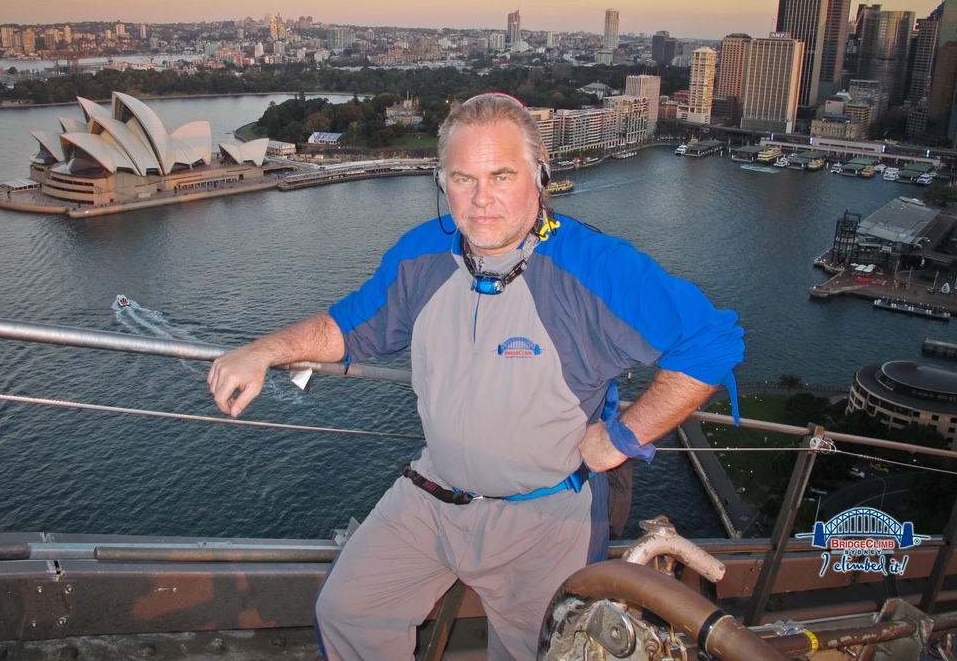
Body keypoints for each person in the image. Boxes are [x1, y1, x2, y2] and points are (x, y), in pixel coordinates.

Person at [208, 93, 744, 661]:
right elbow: (349, 326)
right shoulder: (424, 253)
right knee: (348, 612)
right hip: (431, 493)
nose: (481, 199)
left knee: (531, 653)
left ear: (539, 176)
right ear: (442, 181)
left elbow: (710, 341)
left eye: (501, 175)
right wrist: (264, 349)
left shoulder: (595, 265)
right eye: (462, 178)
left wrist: (620, 438)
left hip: (544, 518)